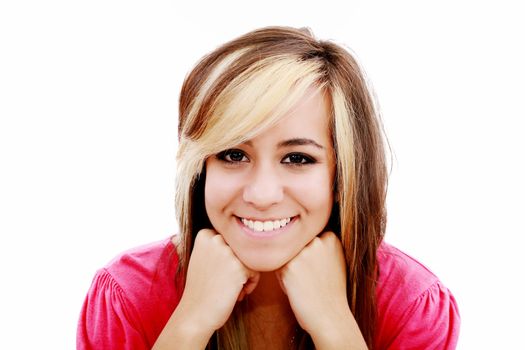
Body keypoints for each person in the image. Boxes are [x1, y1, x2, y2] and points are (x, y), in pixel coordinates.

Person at [77, 26, 460, 349]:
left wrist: (334, 325)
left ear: (344, 176)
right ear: (200, 169)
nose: (261, 195)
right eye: (232, 154)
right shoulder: (127, 296)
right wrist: (190, 324)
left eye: (297, 159)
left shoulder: (411, 303)